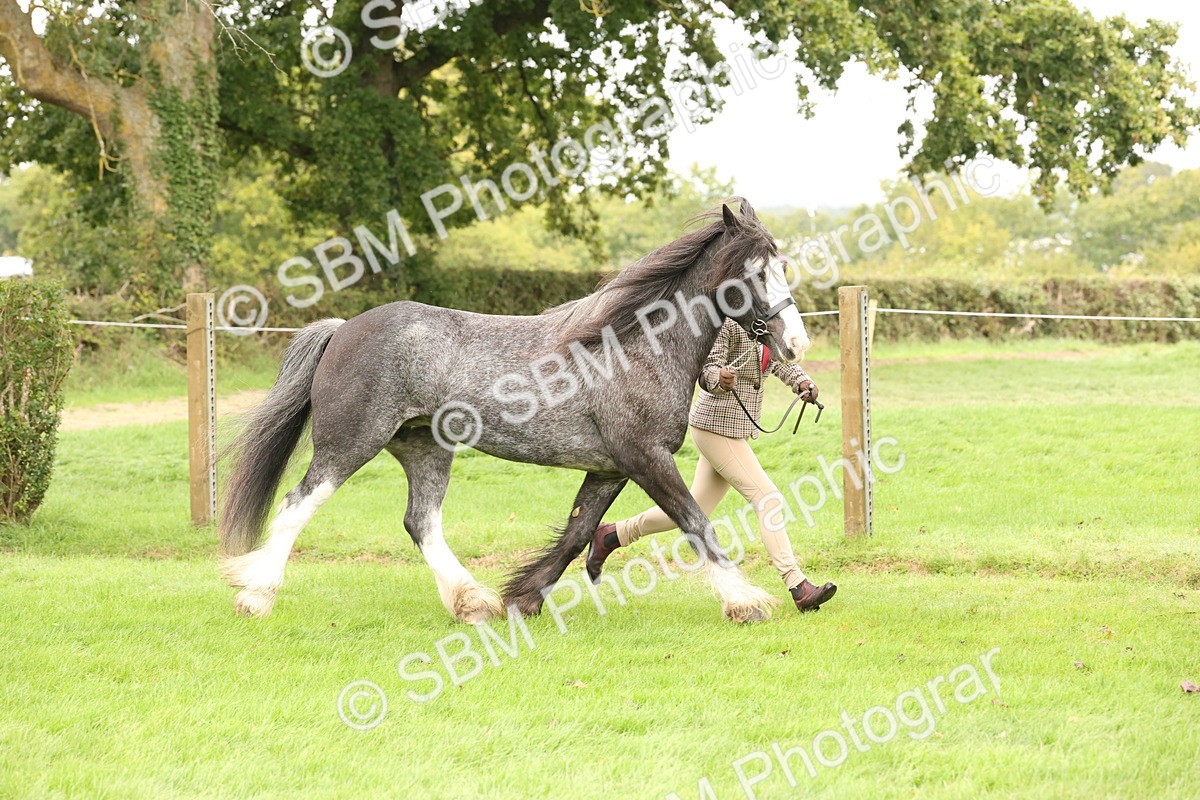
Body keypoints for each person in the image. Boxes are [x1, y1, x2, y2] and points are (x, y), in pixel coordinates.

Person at [586, 317, 838, 612]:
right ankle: (799, 586)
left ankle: (611, 535)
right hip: (714, 428)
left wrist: (801, 381)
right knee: (768, 500)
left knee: (695, 510)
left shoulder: (765, 322)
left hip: (733, 429)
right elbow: (708, 370)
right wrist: (720, 379)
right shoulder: (729, 324)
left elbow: (779, 360)